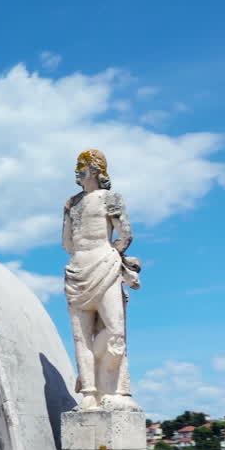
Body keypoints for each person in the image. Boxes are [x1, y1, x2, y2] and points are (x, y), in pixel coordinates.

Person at [62, 149, 141, 410]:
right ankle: (89, 392)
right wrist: (66, 216)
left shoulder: (110, 198)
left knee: (115, 331)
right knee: (80, 337)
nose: (77, 171)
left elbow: (125, 234)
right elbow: (67, 244)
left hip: (105, 264)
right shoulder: (71, 203)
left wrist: (111, 255)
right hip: (77, 271)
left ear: (95, 169)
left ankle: (108, 384)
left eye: (81, 166)